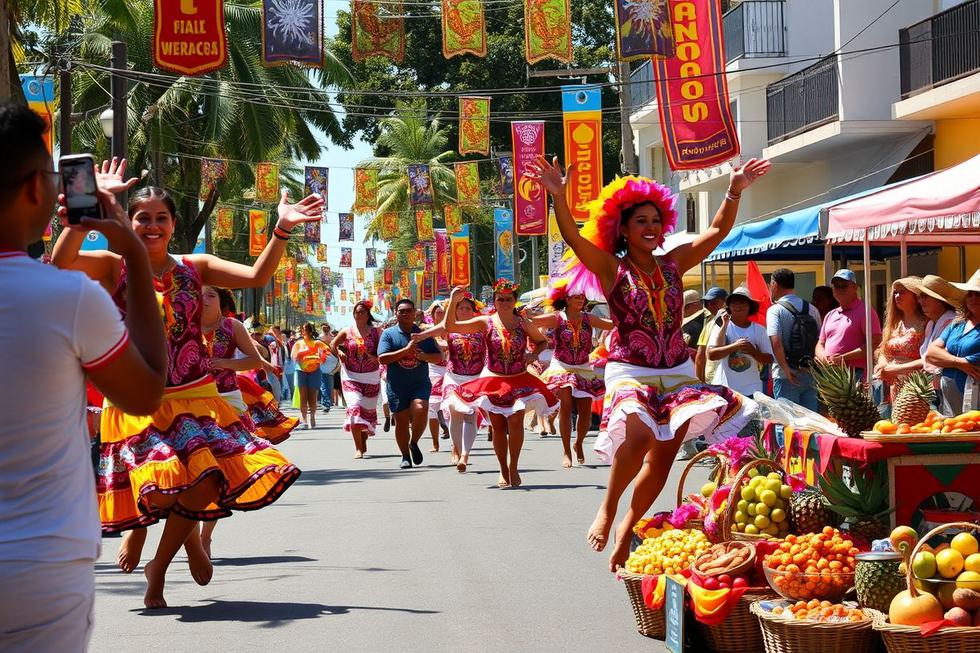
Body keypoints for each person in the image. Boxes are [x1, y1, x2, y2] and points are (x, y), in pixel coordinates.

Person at [52, 158, 316, 608]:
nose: (151, 226)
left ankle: (158, 567)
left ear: (174, 224)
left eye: (161, 218)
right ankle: (184, 537)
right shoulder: (113, 266)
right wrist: (84, 212)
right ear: (128, 221)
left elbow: (257, 276)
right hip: (138, 399)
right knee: (161, 483)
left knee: (206, 480)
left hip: (196, 397)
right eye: (142, 218)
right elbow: (58, 264)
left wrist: (282, 229)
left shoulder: (196, 266)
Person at [527, 154, 767, 571]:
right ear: (621, 228)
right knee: (637, 435)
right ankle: (607, 508)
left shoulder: (674, 264)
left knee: (663, 457)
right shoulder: (610, 268)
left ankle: (628, 526)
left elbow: (716, 230)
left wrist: (733, 190)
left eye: (656, 220)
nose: (651, 227)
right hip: (630, 367)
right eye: (641, 221)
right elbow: (572, 238)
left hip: (675, 368)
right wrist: (558, 197)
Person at [0, 104, 166, 651]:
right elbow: (144, 393)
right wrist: (137, 263)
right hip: (38, 565)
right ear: (32, 191)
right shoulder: (68, 299)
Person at [199, 286, 296, 558]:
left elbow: (256, 359)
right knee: (193, 469)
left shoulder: (232, 326)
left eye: (211, 295)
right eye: (199, 293)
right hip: (190, 402)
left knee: (219, 470)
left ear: (222, 301)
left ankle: (205, 535)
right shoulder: (180, 322)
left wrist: (225, 363)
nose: (204, 299)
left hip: (228, 400)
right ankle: (188, 532)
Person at [445, 281, 558, 487]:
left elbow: (543, 341)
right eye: (500, 299)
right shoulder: (485, 322)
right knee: (497, 426)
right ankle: (502, 469)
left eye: (508, 299)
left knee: (515, 423)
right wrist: (453, 301)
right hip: (493, 379)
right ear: (494, 301)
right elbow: (450, 327)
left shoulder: (523, 323)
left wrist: (533, 354)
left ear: (514, 301)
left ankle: (513, 466)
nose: (504, 303)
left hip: (519, 378)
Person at [534, 281, 613, 468]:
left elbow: (612, 325)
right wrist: (521, 314)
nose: (580, 299)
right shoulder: (556, 318)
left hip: (584, 367)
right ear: (566, 299)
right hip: (562, 366)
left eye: (582, 297)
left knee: (585, 411)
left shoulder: (589, 318)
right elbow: (531, 321)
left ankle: (578, 442)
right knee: (566, 404)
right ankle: (566, 450)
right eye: (576, 296)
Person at [413, 293, 487, 472]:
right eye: (460, 308)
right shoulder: (450, 328)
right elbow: (437, 329)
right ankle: (457, 448)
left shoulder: (482, 328)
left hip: (475, 378)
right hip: (454, 376)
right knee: (455, 412)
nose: (464, 311)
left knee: (470, 416)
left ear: (473, 311)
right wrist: (421, 336)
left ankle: (464, 455)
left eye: (468, 308)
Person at [377, 298, 442, 469]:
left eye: (408, 310)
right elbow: (382, 358)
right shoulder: (388, 334)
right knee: (402, 421)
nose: (405, 313)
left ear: (415, 313)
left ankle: (414, 442)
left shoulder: (423, 335)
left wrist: (424, 357)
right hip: (397, 385)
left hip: (419, 383)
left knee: (420, 409)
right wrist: (405, 351)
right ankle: (405, 456)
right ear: (396, 314)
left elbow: (438, 356)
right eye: (401, 311)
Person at [767, 268, 822, 412]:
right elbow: (819, 342)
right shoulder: (812, 309)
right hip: (810, 373)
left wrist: (786, 369)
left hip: (785, 375)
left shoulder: (775, 310)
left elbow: (776, 342)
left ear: (774, 284)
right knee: (811, 423)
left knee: (788, 424)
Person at [331, 300, 382, 458]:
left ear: (368, 315)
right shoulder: (347, 331)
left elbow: (384, 351)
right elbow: (332, 345)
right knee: (354, 409)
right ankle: (358, 448)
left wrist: (377, 358)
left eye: (362, 312)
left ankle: (363, 442)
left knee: (366, 412)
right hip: (350, 376)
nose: (359, 314)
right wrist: (339, 353)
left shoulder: (377, 332)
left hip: (371, 377)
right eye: (356, 312)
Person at [925, 270, 980, 414]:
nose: (973, 298)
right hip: (950, 401)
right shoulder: (957, 324)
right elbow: (931, 354)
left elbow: (974, 363)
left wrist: (945, 357)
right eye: (970, 293)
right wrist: (958, 362)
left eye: (978, 294)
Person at [815, 269, 882, 380]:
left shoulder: (865, 312)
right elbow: (820, 344)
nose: (839, 289)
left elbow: (874, 343)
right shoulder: (831, 315)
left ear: (854, 287)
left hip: (855, 373)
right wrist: (825, 359)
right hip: (831, 374)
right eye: (836, 286)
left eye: (844, 286)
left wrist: (843, 358)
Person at [707, 286, 774, 397]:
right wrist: (734, 346)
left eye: (742, 303)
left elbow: (769, 359)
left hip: (753, 389)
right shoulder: (722, 326)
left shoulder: (759, 329)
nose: (738, 306)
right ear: (729, 307)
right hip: (726, 389)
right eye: (734, 303)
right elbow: (711, 354)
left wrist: (753, 352)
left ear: (749, 306)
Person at [873, 277, 928, 410]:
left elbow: (928, 359)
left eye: (902, 292)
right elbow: (882, 351)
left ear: (915, 296)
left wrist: (894, 369)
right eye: (895, 292)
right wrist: (882, 364)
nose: (897, 296)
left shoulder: (926, 323)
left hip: (917, 388)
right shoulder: (894, 325)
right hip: (893, 387)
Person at [913, 275, 963, 393]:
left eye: (926, 296)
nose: (921, 301)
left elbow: (938, 357)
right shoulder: (931, 324)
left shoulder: (951, 321)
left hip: (946, 385)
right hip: (933, 386)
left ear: (940, 301)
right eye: (921, 296)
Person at [290, 322, 328, 429]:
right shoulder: (298, 343)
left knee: (312, 396)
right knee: (303, 396)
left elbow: (324, 354)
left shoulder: (317, 343)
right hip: (301, 371)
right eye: (302, 329)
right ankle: (304, 419)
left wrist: (320, 358)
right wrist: (302, 354)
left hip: (315, 371)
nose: (304, 332)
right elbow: (294, 357)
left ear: (311, 331)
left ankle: (312, 416)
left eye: (306, 329)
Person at [423, 301, 449, 453]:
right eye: (437, 312)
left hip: (452, 370)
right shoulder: (428, 331)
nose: (440, 315)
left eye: (442, 312)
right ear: (432, 315)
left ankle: (455, 441)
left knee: (450, 406)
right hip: (433, 370)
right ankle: (435, 443)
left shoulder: (453, 329)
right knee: (432, 407)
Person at [695, 286, 728, 383]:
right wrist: (699, 382)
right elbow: (700, 356)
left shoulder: (736, 322)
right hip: (714, 378)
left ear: (725, 302)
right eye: (708, 303)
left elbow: (700, 356)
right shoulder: (709, 325)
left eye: (713, 302)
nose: (709, 305)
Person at [282, 328, 297, 402]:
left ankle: (293, 399)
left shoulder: (288, 344)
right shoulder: (283, 345)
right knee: (284, 385)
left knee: (291, 384)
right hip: (284, 366)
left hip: (290, 366)